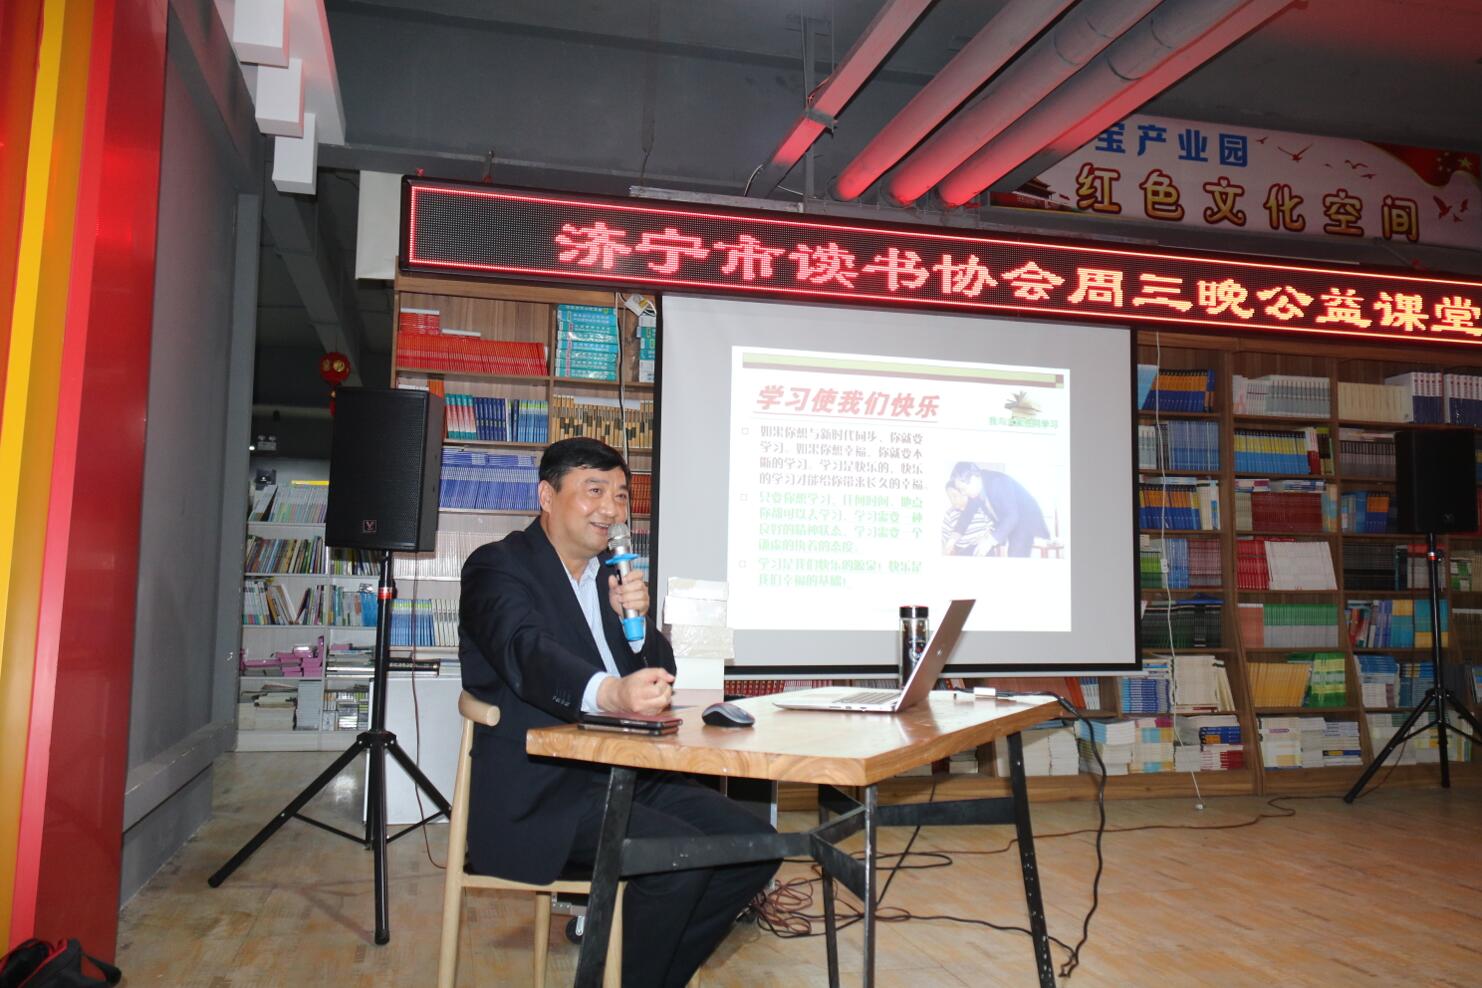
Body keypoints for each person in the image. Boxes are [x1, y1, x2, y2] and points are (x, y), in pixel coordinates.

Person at [459, 437, 778, 987]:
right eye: (594, 490)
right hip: (545, 792)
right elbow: (525, 651)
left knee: (757, 847)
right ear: (546, 496)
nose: (611, 508)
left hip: (629, 777)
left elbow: (660, 675)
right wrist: (609, 693)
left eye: (621, 495)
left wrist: (637, 628)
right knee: (681, 860)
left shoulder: (613, 574)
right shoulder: (499, 566)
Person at [945, 461, 1050, 558]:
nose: (963, 493)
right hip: (1011, 519)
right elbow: (966, 516)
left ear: (973, 479)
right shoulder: (976, 491)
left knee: (1016, 554)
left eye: (963, 489)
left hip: (1026, 518)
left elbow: (1012, 516)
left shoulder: (997, 482)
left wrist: (989, 541)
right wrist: (952, 541)